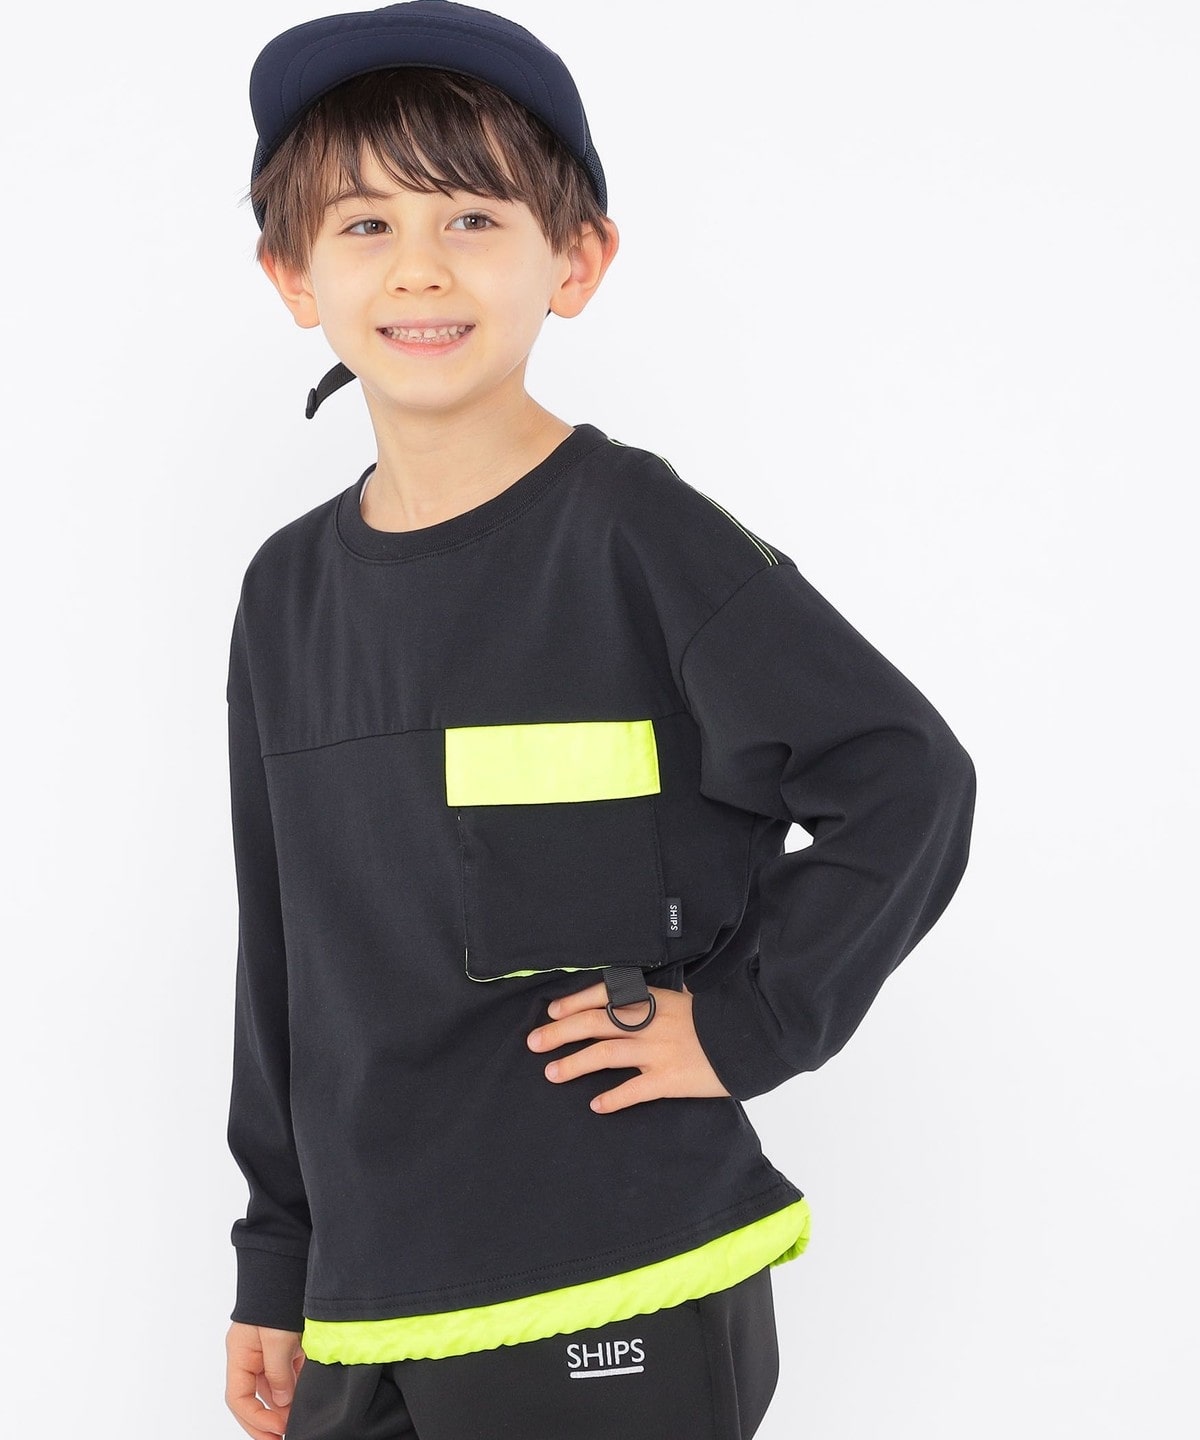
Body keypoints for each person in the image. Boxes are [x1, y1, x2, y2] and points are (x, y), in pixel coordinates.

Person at [221, 4, 977, 1438]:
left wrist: (746, 1022)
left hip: (615, 1269)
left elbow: (905, 778)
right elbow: (287, 955)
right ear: (292, 274)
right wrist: (280, 1255)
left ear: (575, 260)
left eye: (472, 216)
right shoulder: (286, 591)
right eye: (365, 224)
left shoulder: (637, 533)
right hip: (370, 1300)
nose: (421, 265)